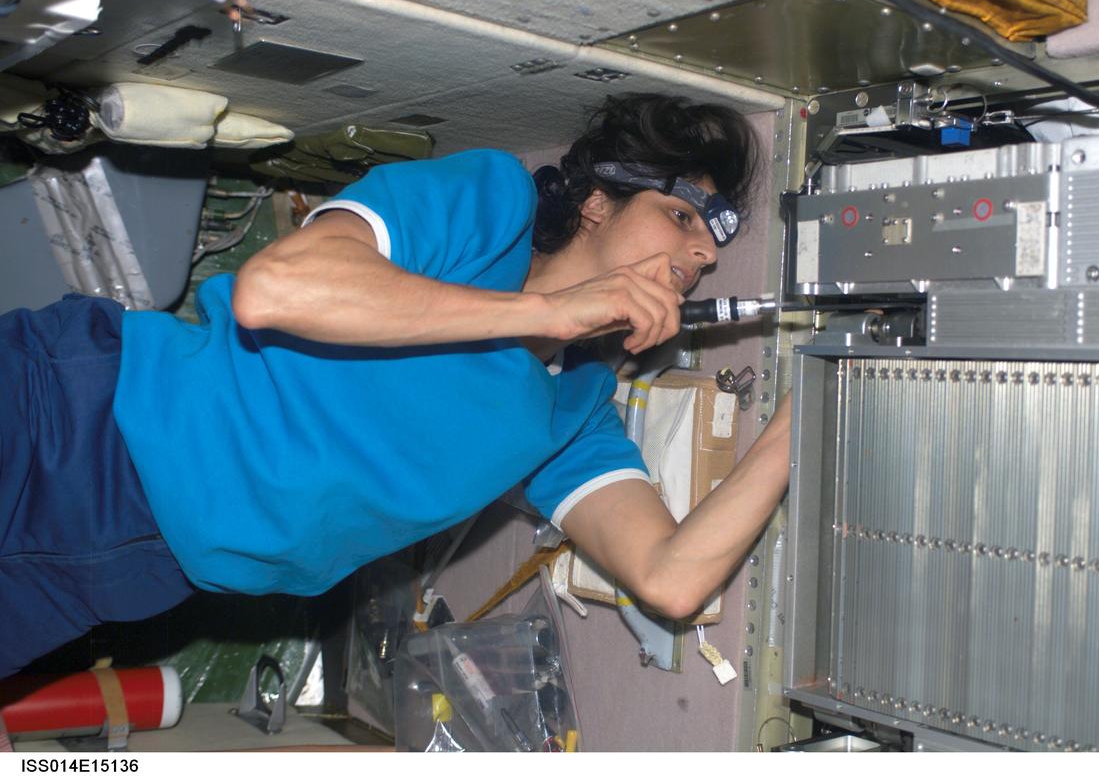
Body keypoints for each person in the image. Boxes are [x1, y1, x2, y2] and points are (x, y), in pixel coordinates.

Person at [0, 92, 792, 678]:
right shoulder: (492, 205)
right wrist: (544, 310)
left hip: (132, 571)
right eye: (682, 216)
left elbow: (673, 577)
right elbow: (276, 291)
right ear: (595, 200)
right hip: (75, 421)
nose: (704, 257)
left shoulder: (573, 406)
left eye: (715, 240)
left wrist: (811, 411)